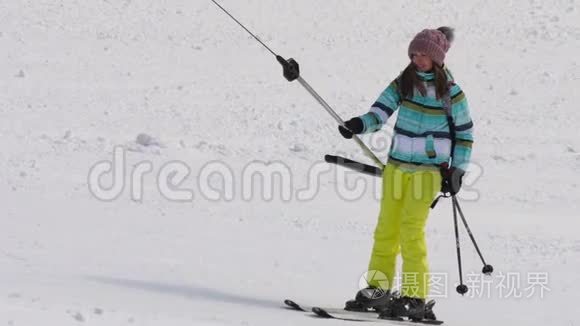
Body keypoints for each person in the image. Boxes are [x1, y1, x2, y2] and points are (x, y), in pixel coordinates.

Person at [340, 27, 474, 321]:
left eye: (424, 54)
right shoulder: (404, 82)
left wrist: (457, 172)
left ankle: (415, 297)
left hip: (428, 172)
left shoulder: (452, 93)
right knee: (386, 229)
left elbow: (464, 136)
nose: (418, 59)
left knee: (410, 231)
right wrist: (359, 125)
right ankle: (377, 290)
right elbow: (380, 111)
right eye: (414, 53)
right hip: (397, 167)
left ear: (437, 58)